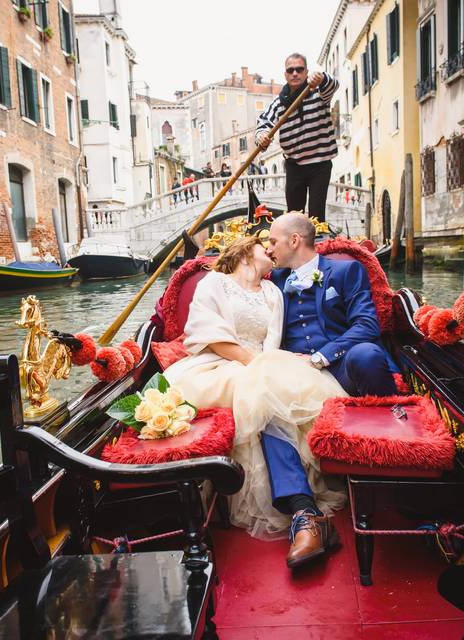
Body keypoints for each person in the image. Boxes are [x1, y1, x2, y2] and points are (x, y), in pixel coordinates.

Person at [164, 235, 348, 568]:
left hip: (261, 366)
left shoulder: (273, 292)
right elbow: (213, 338)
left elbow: (273, 344)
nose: (273, 252)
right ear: (247, 251)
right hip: (216, 368)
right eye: (266, 246)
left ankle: (305, 511)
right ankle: (304, 510)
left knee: (279, 390)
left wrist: (272, 366)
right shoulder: (214, 283)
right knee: (263, 389)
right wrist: (262, 369)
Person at [256, 53, 339, 223]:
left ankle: (317, 247)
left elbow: (333, 85)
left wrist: (322, 78)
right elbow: (264, 122)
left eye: (299, 69)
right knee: (294, 217)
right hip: (294, 166)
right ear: (285, 75)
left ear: (306, 72)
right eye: (290, 70)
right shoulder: (279, 104)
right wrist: (262, 136)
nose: (295, 73)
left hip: (320, 164)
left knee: (316, 217)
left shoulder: (318, 93)